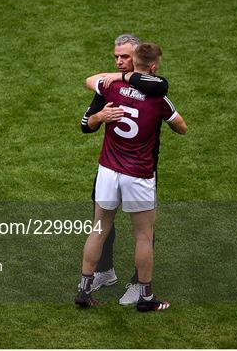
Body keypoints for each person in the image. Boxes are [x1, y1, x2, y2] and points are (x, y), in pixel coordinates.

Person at [75, 42, 187, 311]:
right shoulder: (159, 100)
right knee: (143, 237)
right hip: (138, 175)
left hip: (108, 171)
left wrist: (115, 81)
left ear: (131, 62)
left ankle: (83, 291)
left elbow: (90, 81)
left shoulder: (111, 86)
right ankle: (146, 298)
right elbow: (181, 128)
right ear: (153, 67)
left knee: (98, 229)